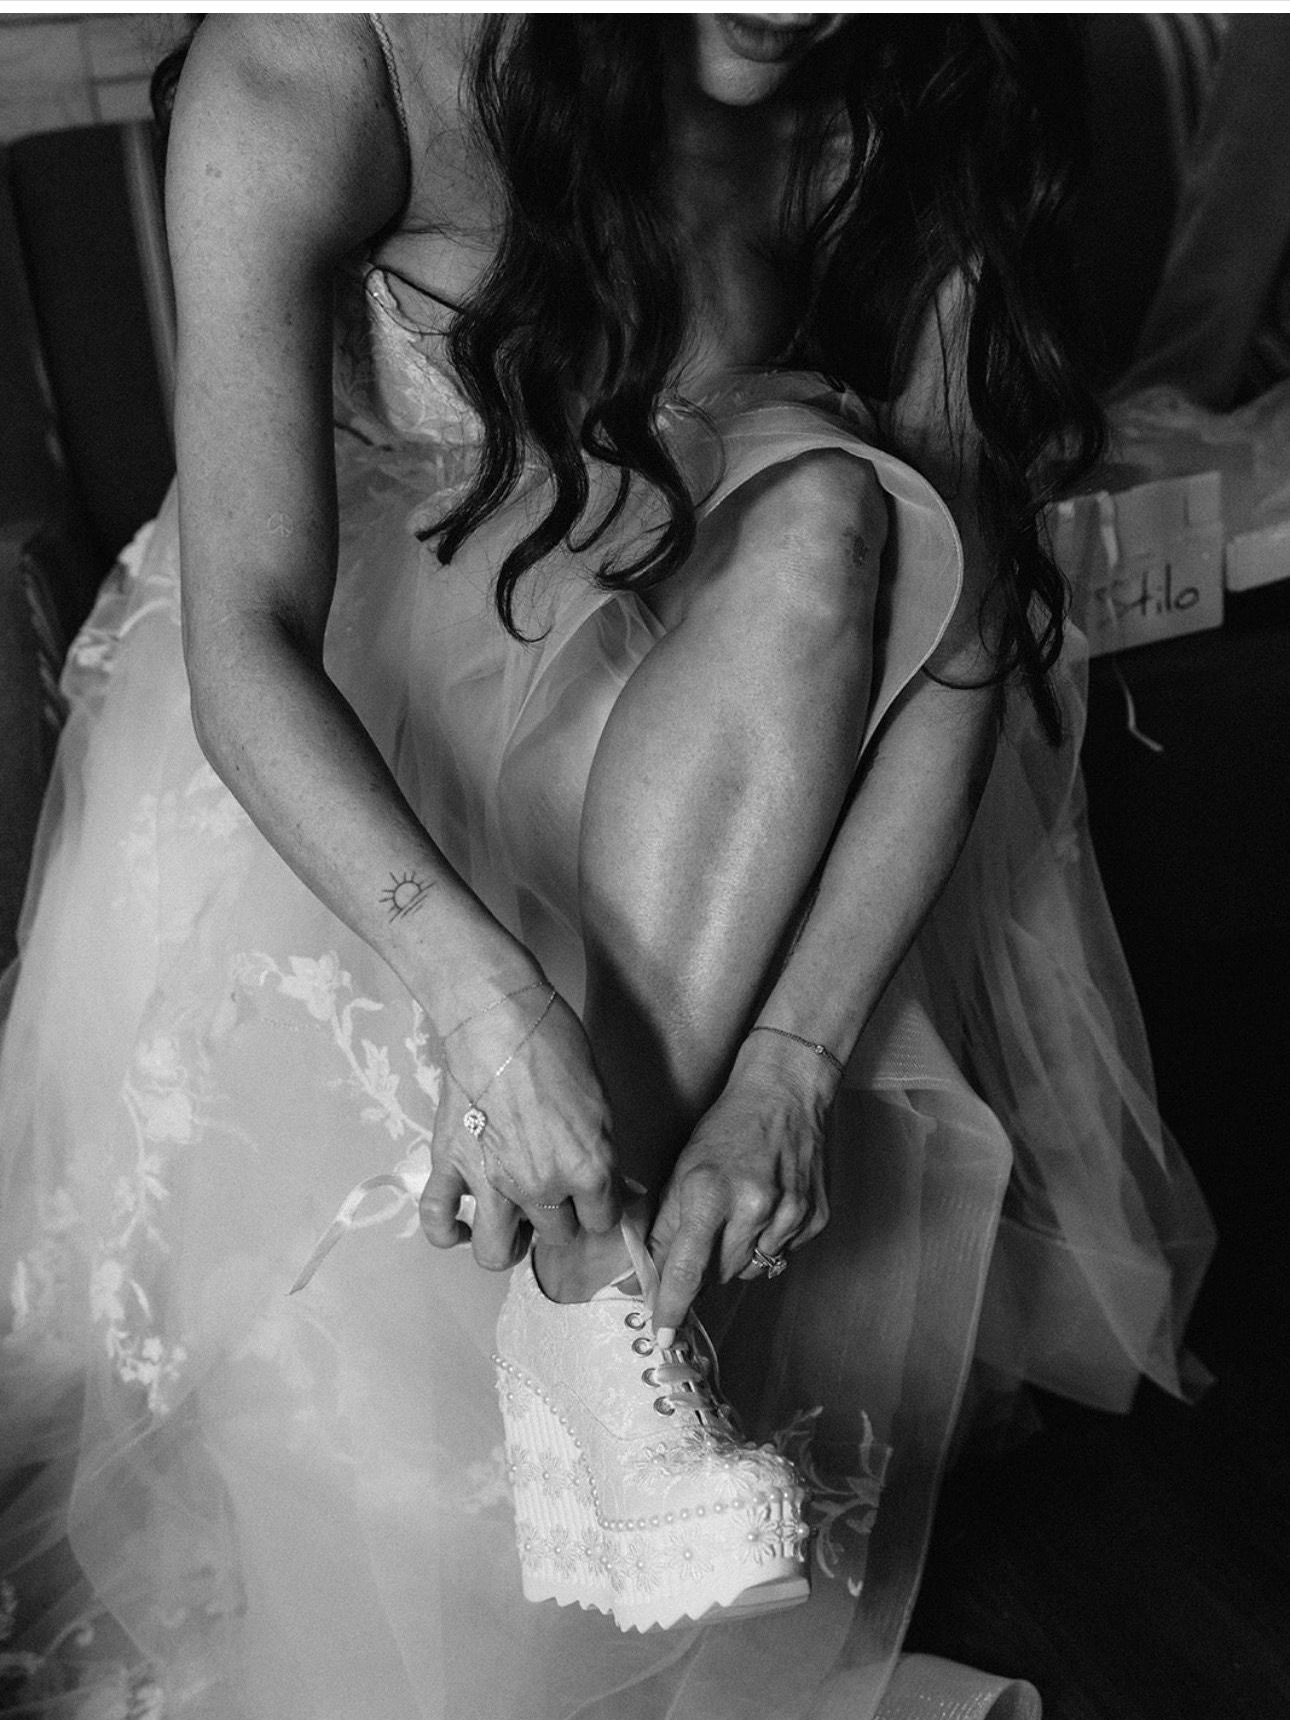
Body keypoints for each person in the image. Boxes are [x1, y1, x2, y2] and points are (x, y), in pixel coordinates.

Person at [0, 15, 1214, 1719]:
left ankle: (591, 1306)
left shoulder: (929, 79)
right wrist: (485, 1004)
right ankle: (592, 1308)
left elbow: (965, 620)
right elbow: (247, 643)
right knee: (394, 1441)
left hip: (730, 693)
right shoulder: (325, 56)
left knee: (841, 515)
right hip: (364, 692)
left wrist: (791, 1069)